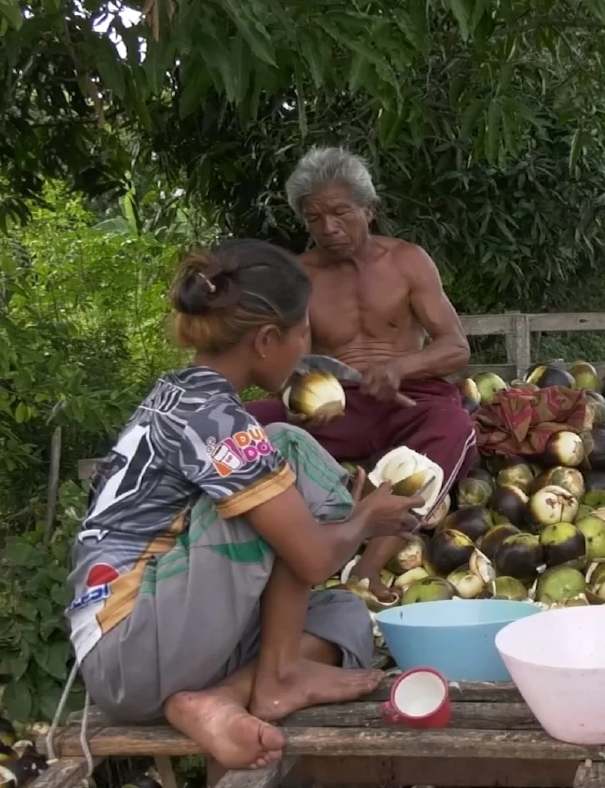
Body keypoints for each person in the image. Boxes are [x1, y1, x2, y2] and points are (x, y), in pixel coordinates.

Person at [65, 240, 425, 770]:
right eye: (303, 331)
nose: (309, 345)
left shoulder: (183, 395)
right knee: (287, 449)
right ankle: (278, 678)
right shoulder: (219, 422)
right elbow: (313, 560)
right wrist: (368, 518)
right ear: (265, 339)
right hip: (133, 643)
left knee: (343, 615)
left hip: (151, 646)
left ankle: (221, 700)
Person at [246, 146, 475, 601]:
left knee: (455, 426)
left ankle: (369, 565)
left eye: (340, 212)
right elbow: (295, 367)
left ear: (368, 210)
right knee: (247, 424)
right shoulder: (298, 276)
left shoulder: (407, 261)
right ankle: (296, 541)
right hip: (339, 406)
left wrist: (401, 366)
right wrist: (304, 399)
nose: (328, 228)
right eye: (314, 218)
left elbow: (456, 347)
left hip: (411, 400)